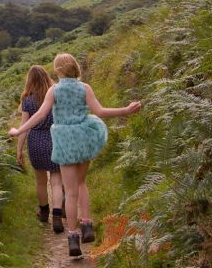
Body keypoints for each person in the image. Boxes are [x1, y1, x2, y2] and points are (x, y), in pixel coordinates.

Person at [9, 53, 141, 256]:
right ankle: (87, 224)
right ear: (75, 68)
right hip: (83, 138)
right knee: (81, 184)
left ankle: (73, 239)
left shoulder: (54, 91)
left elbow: (40, 115)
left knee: (70, 192)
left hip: (64, 141)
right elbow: (100, 111)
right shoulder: (84, 88)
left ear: (58, 70)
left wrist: (19, 131)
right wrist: (126, 110)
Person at [16, 65, 64, 233]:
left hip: (35, 141)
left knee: (41, 181)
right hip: (55, 138)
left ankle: (44, 213)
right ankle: (57, 216)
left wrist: (19, 149)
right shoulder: (55, 93)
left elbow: (24, 126)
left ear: (29, 80)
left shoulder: (27, 99)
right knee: (57, 181)